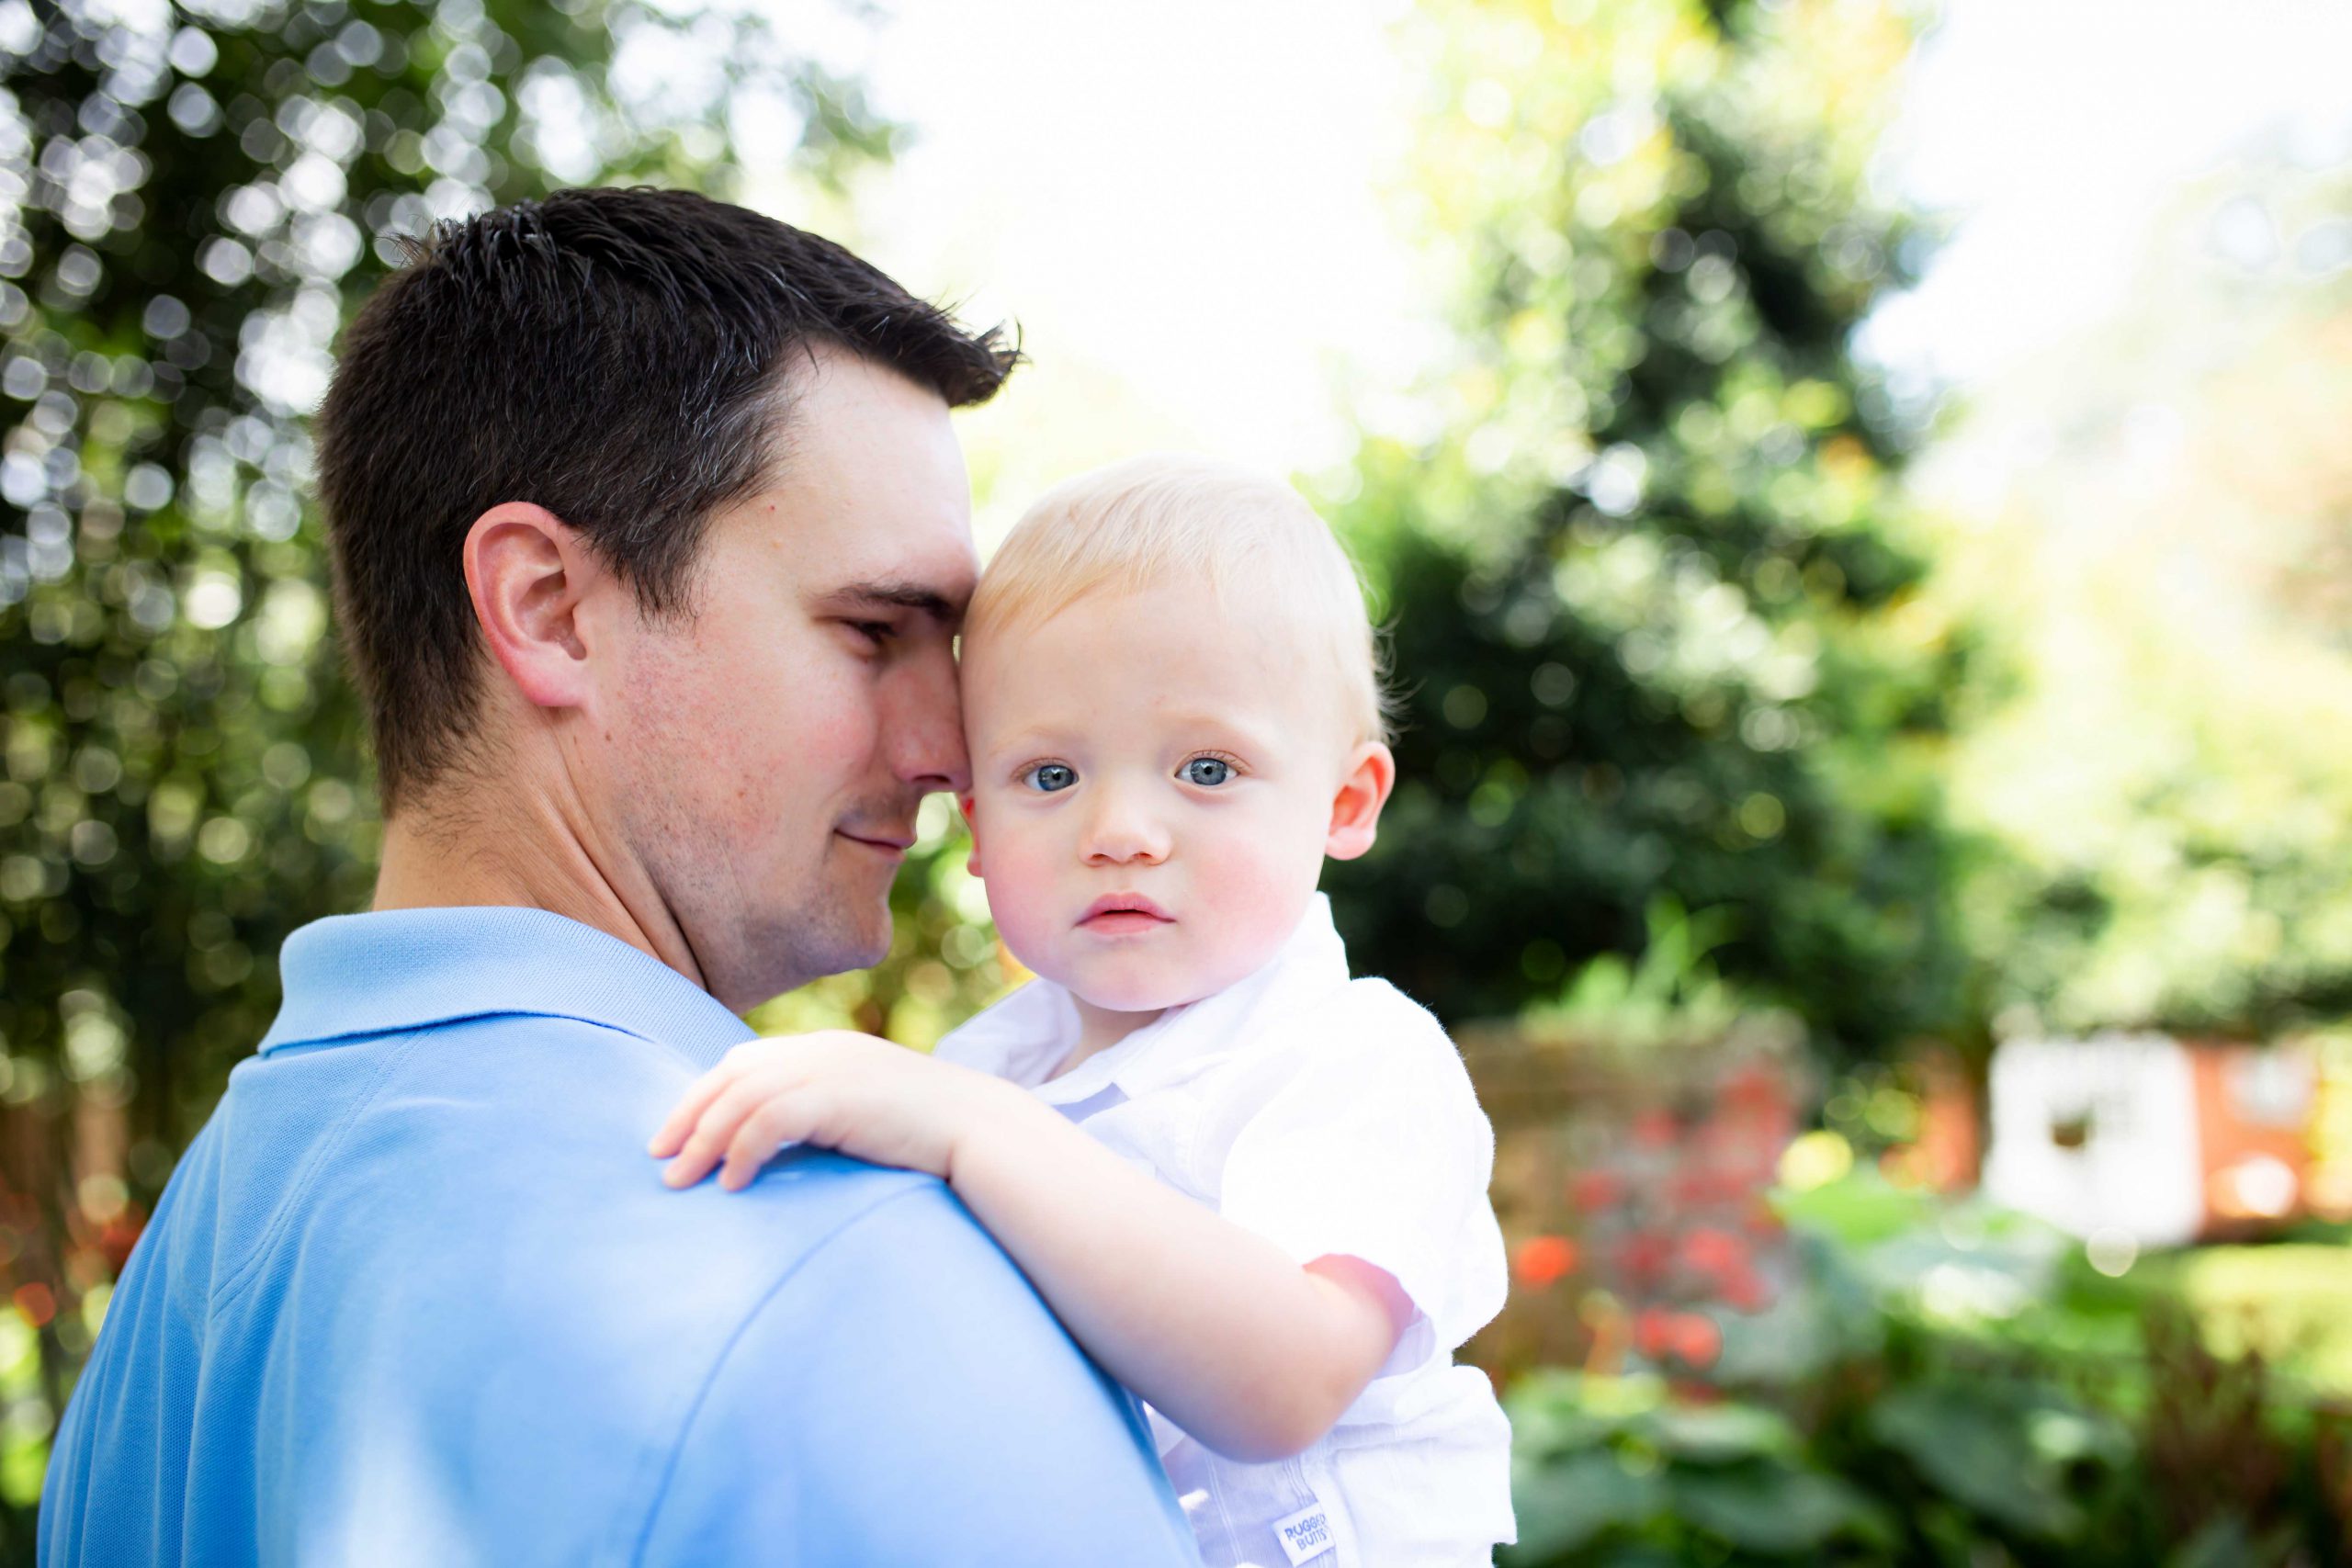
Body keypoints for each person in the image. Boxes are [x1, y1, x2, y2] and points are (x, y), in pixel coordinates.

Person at [39, 188, 1201, 1566]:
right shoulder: (844, 1274)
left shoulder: (192, 1271)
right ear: (547, 608)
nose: (953, 745)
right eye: (873, 628)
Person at [653, 455, 1518, 1566]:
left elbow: (1285, 1384)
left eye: (1206, 768)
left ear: (1344, 802)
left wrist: (977, 1137)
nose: (1119, 829)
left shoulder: (1354, 1059)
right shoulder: (982, 1072)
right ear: (973, 821)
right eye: (1049, 777)